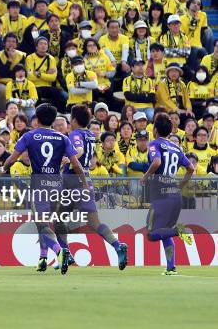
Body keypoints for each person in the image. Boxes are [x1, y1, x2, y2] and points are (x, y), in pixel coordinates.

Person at [2, 103, 87, 274]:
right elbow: (76, 163)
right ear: (53, 120)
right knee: (48, 224)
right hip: (57, 184)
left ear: (37, 119)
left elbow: (12, 158)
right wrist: (84, 182)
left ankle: (59, 251)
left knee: (42, 225)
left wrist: (3, 167)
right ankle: (42, 258)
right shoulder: (62, 138)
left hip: (39, 184)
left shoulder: (29, 136)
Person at [60, 104, 129, 271]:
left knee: (58, 220)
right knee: (95, 222)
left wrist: (67, 160)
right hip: (86, 179)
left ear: (74, 120)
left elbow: (80, 151)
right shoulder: (90, 134)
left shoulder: (76, 133)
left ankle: (66, 254)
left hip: (72, 180)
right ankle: (118, 245)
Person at [141, 113, 196, 275]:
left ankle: (180, 231)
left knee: (151, 233)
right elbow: (191, 168)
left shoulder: (155, 144)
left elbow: (157, 162)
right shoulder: (176, 147)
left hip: (161, 195)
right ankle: (171, 267)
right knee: (164, 230)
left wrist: (146, 176)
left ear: (155, 129)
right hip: (175, 194)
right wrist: (180, 185)